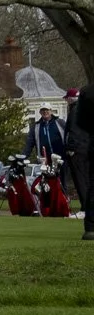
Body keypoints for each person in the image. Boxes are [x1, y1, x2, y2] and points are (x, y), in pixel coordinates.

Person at [65, 86, 93, 238]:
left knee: (81, 180)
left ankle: (85, 209)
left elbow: (74, 130)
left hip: (78, 150)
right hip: (86, 148)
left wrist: (71, 147)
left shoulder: (76, 110)